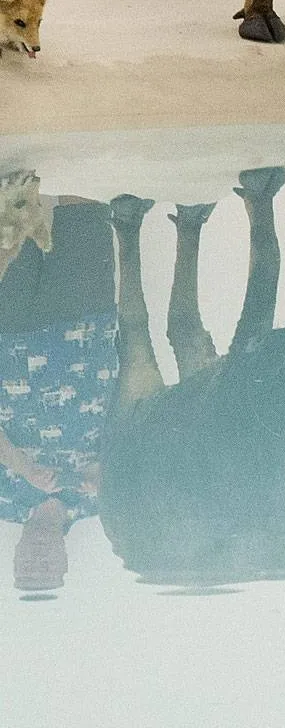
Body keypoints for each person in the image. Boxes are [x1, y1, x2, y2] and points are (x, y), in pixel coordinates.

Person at [0, 190, 117, 595]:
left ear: (15, 557)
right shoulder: (104, 498)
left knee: (11, 209)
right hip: (85, 330)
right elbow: (137, 431)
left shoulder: (2, 500)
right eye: (46, 568)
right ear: (65, 561)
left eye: (27, 568)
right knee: (82, 208)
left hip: (8, 333)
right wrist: (106, 467)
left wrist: (18, 462)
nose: (37, 559)